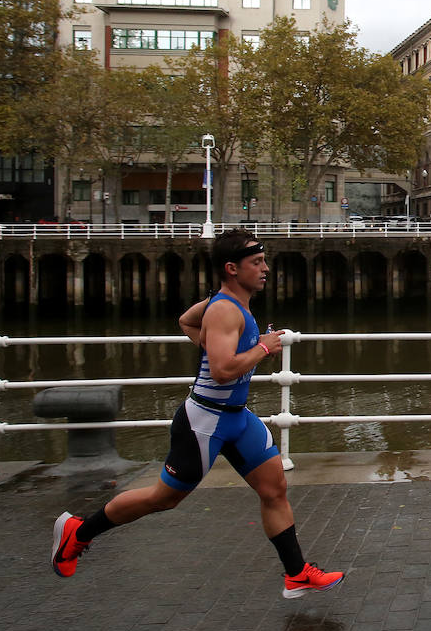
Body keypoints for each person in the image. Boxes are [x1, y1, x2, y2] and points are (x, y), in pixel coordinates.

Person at [50, 229, 343, 600]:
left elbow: (186, 322)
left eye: (264, 261)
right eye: (257, 263)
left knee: (274, 489)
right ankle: (79, 531)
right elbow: (221, 371)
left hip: (236, 418)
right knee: (163, 498)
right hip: (204, 421)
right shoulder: (223, 310)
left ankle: (297, 573)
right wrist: (263, 348)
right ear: (232, 268)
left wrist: (218, 343)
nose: (265, 269)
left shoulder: (221, 304)